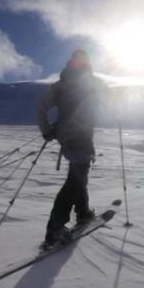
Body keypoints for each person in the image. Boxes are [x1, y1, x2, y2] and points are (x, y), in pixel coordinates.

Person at [37, 49, 105, 250]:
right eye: (79, 61)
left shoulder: (66, 85)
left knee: (79, 175)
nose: (81, 64)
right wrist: (46, 130)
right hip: (75, 138)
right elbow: (40, 107)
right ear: (72, 62)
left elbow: (40, 106)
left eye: (83, 62)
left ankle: (82, 212)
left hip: (75, 138)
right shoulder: (79, 85)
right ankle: (55, 229)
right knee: (75, 180)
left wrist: (48, 130)